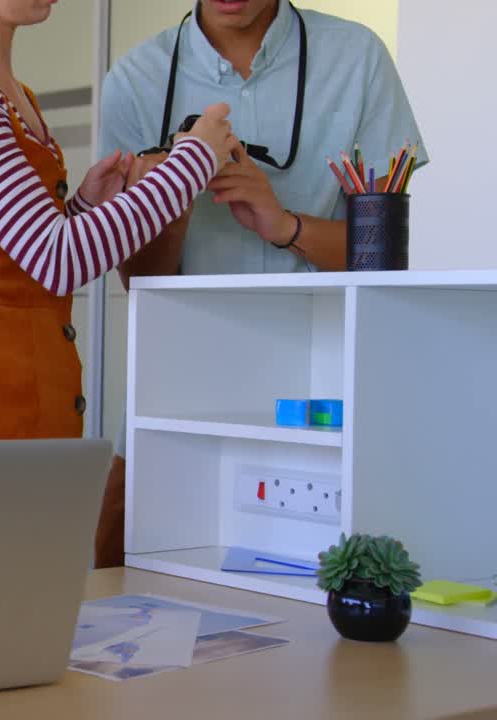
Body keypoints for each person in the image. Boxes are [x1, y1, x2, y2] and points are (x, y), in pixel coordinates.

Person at [93, 0, 427, 567]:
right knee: (128, 593)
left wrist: (285, 225)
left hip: (323, 390)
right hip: (176, 391)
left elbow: (386, 257)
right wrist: (173, 190)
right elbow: (141, 281)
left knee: (328, 599)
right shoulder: (135, 78)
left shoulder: (356, 58)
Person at [0, 0, 237, 444]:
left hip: (27, 410)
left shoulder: (9, 94)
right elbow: (57, 261)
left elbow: (16, 260)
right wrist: (195, 160)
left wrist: (85, 207)